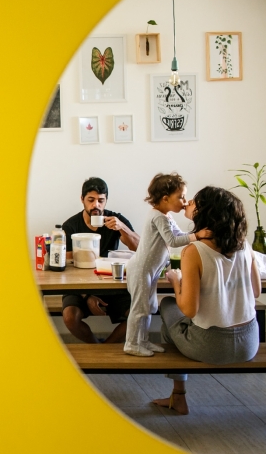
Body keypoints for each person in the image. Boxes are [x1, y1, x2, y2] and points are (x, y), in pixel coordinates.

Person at [153, 186, 261, 415]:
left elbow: (189, 310)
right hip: (249, 342)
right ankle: (177, 396)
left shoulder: (194, 251)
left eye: (194, 201)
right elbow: (256, 292)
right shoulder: (244, 244)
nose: (188, 202)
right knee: (175, 319)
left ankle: (178, 395)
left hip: (211, 346)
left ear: (206, 212)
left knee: (167, 307)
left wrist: (175, 280)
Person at [124, 173, 211, 357]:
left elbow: (180, 235)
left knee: (149, 307)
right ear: (165, 198)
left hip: (150, 270)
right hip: (141, 269)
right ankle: (132, 343)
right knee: (140, 308)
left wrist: (197, 233)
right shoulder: (158, 217)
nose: (184, 201)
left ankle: (143, 340)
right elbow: (172, 240)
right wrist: (197, 236)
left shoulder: (167, 216)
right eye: (181, 197)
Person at [61, 177, 140, 343]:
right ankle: (96, 346)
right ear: (82, 199)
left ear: (106, 201)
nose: (96, 205)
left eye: (100, 200)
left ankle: (104, 350)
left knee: (139, 315)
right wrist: (87, 295)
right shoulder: (71, 225)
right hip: (79, 285)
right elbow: (67, 268)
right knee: (70, 317)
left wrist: (122, 228)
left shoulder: (115, 220)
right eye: (91, 200)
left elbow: (140, 249)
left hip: (111, 282)